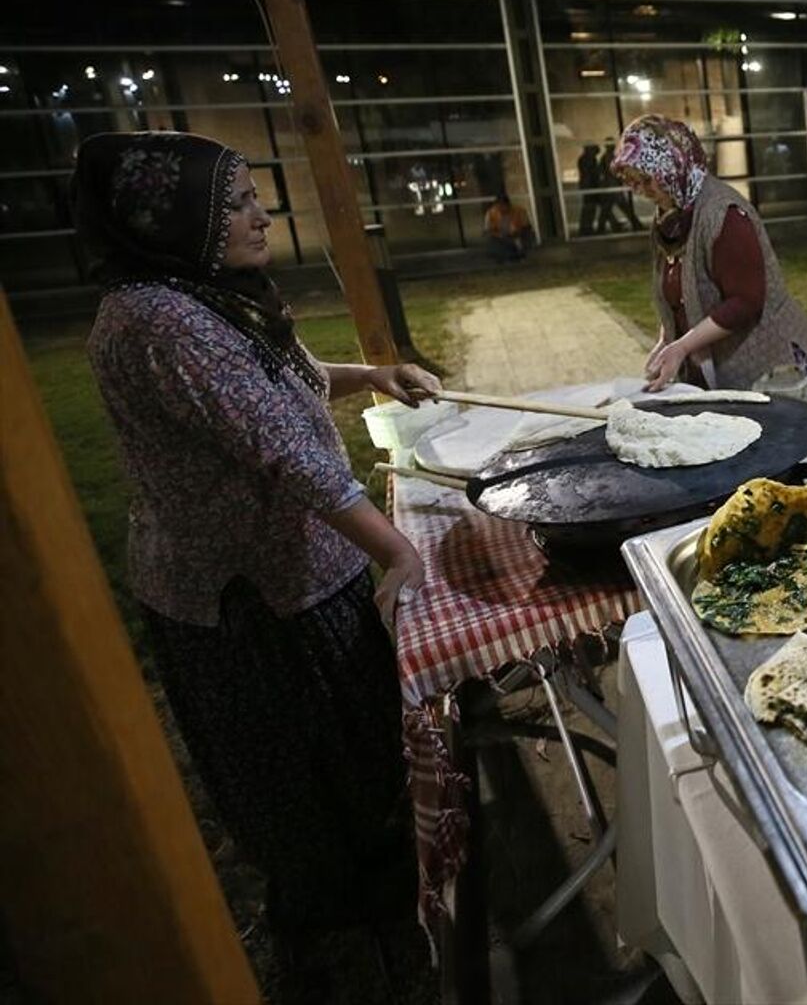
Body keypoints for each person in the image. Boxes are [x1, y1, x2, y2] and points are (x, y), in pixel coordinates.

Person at [71, 131, 438, 953]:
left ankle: (381, 876)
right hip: (249, 594)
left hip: (301, 563)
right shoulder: (159, 320)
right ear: (174, 217)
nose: (258, 214)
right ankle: (346, 925)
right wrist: (399, 550)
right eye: (233, 201)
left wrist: (370, 376)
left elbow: (287, 378)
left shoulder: (198, 292)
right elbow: (287, 453)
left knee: (356, 742)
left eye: (250, 195)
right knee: (302, 768)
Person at [611, 114, 807, 391]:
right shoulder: (672, 216)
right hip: (717, 367)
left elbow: (745, 303)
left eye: (648, 180)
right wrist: (668, 340)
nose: (641, 191)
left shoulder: (724, 214)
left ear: (674, 167)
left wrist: (683, 346)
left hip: (773, 369)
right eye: (634, 182)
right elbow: (682, 295)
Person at [483, 189, 535, 261]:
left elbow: (526, 226)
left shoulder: (519, 211)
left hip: (517, 236)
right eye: (498, 206)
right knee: (493, 242)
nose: (500, 208)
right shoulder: (491, 213)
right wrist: (497, 234)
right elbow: (488, 229)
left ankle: (519, 253)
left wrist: (517, 232)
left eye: (502, 206)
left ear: (508, 205)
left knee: (520, 241)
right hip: (500, 237)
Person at [602, 142, 643, 231]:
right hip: (613, 188)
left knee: (606, 210)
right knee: (623, 208)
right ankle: (636, 225)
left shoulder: (608, 157)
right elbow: (614, 172)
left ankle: (609, 227)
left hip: (612, 187)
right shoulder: (610, 158)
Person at [576, 142, 609, 235]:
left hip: (590, 186)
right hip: (590, 187)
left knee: (591, 208)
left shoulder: (587, 159)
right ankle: (586, 228)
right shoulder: (587, 160)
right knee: (589, 208)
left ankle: (587, 228)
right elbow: (591, 174)